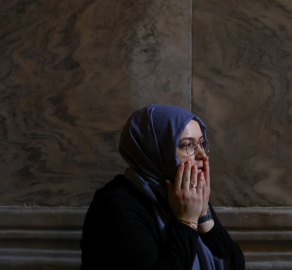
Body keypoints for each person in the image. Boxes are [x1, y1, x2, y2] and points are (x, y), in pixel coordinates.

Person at [80, 104, 245, 269]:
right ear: (156, 149)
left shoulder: (187, 195)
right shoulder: (116, 204)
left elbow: (235, 264)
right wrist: (187, 221)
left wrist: (203, 215)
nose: (202, 155)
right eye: (188, 145)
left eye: (201, 143)